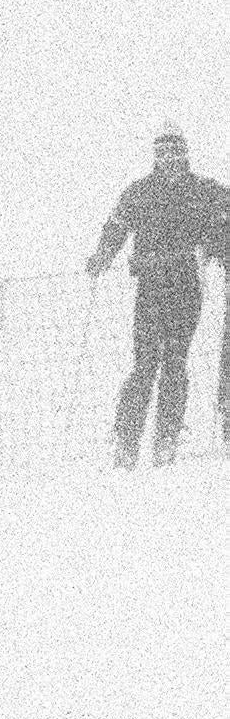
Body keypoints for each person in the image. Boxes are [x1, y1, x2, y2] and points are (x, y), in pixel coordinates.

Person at [85, 123, 230, 467]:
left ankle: (166, 438)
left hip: (186, 287)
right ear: (156, 156)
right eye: (164, 153)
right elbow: (117, 225)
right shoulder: (139, 192)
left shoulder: (203, 191)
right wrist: (102, 255)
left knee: (176, 363)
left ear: (186, 154)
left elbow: (225, 218)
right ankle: (126, 439)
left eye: (177, 152)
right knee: (145, 363)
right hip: (150, 288)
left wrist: (217, 244)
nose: (171, 160)